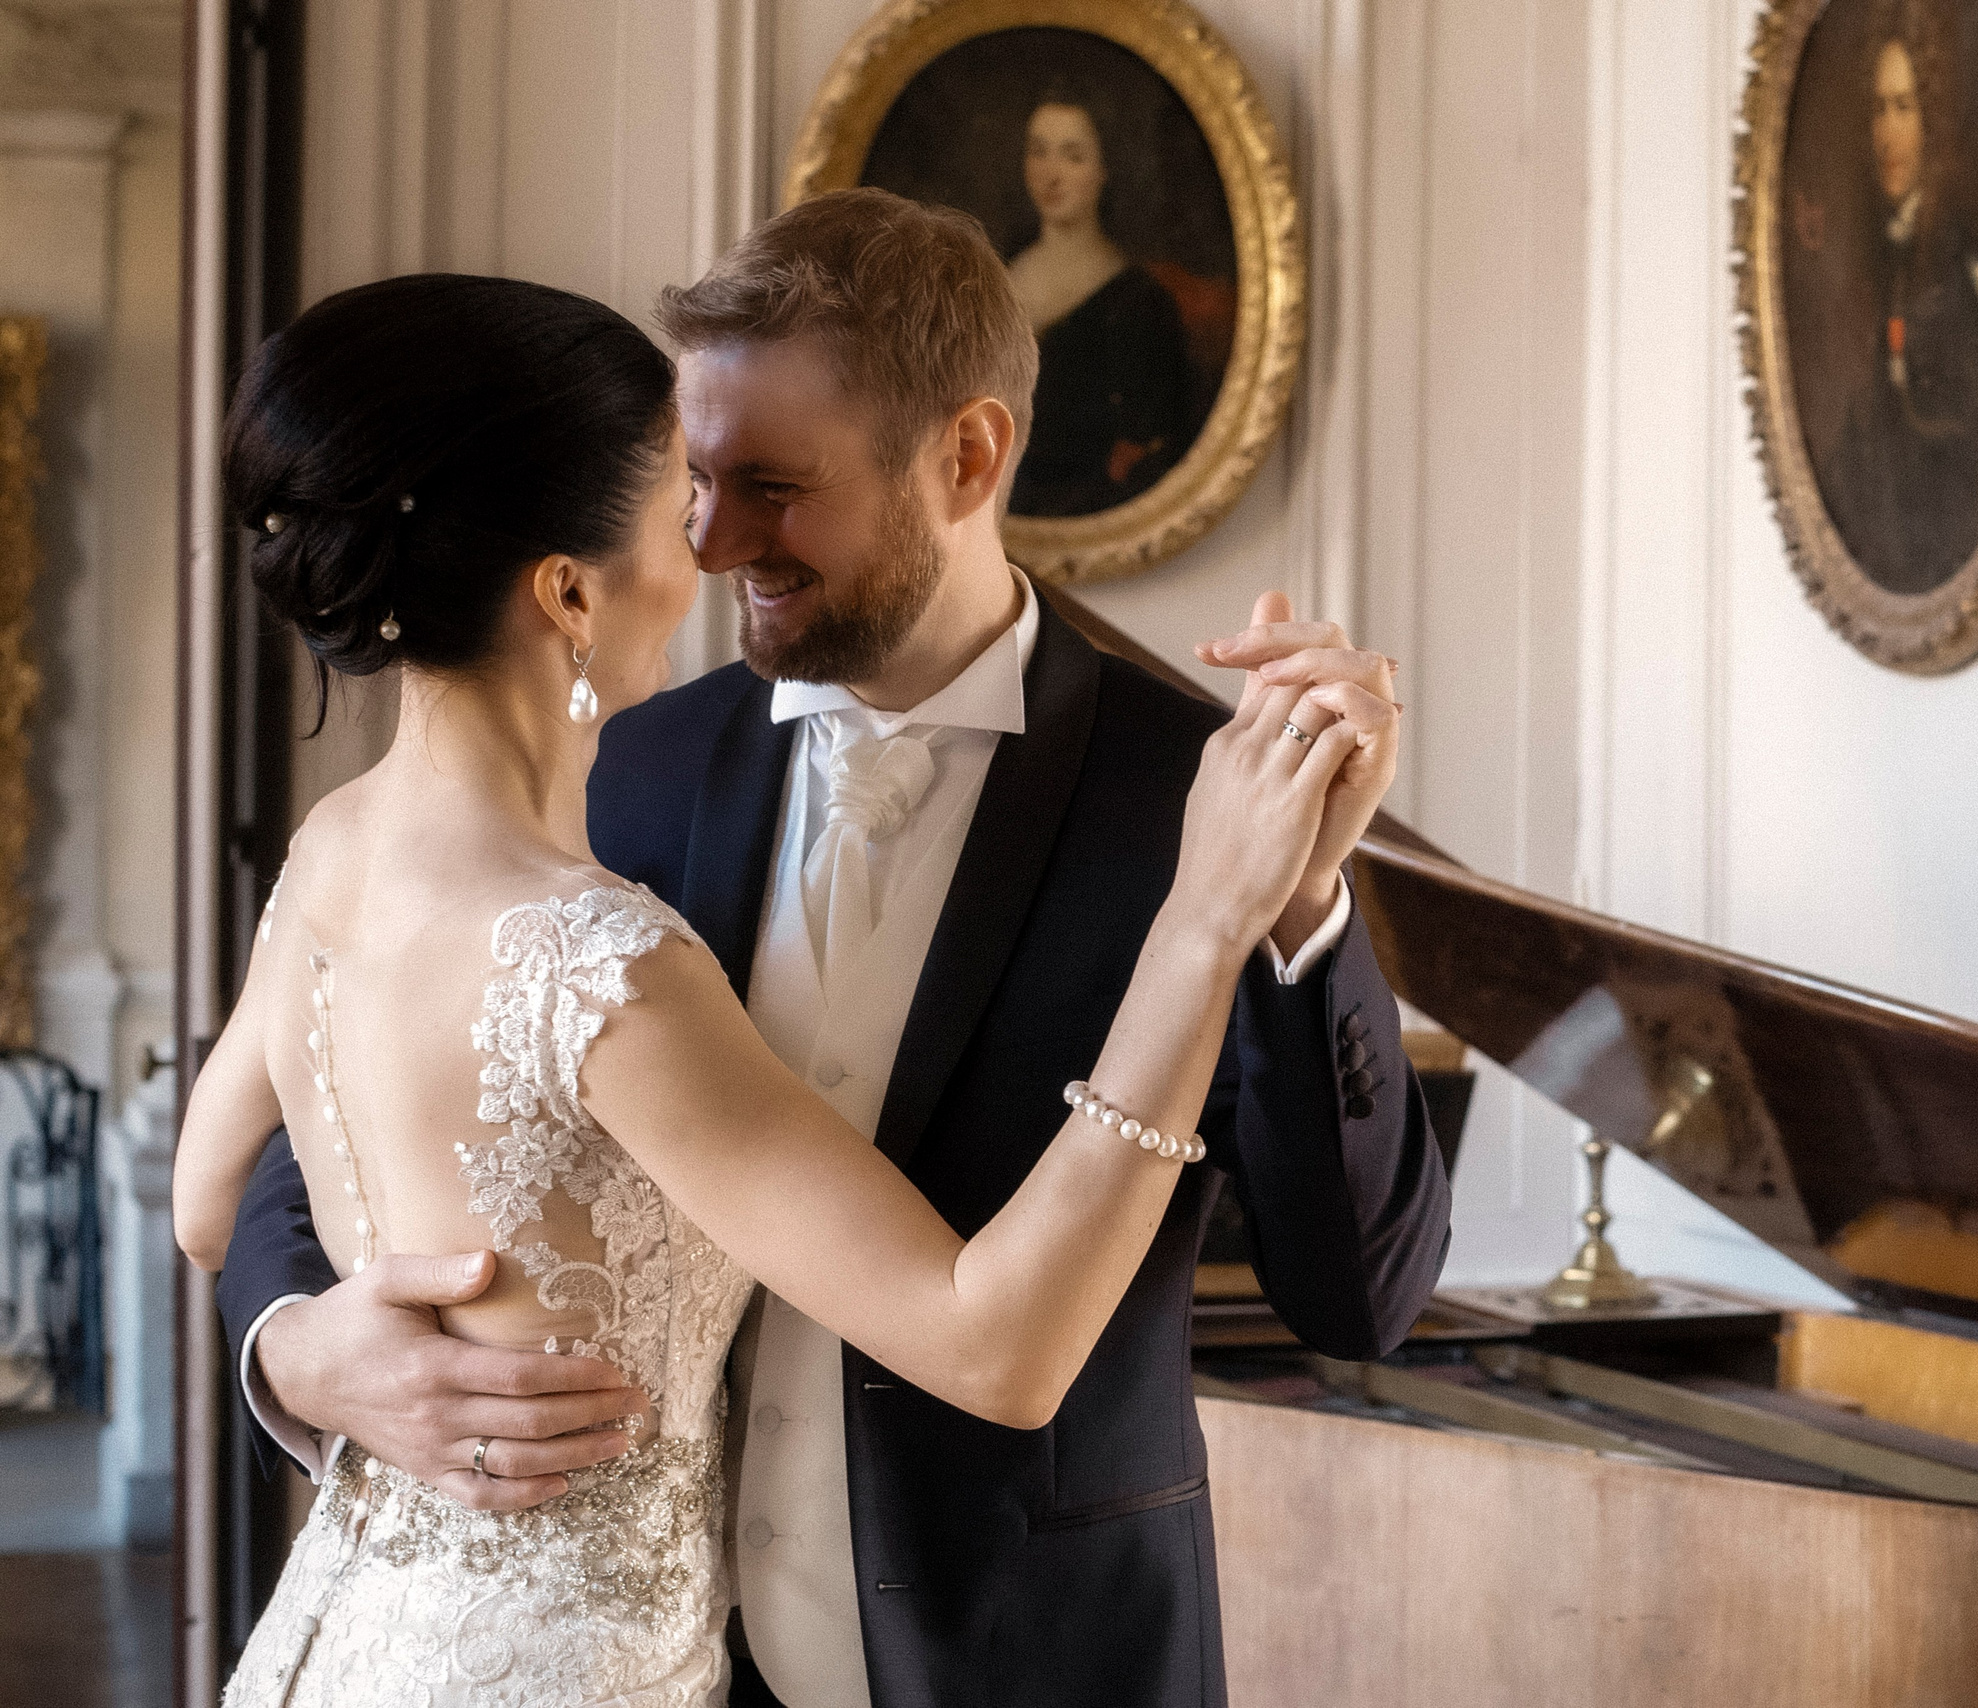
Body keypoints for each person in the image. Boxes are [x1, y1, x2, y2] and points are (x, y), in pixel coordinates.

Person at [211, 190, 1450, 1708]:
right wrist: (297, 1345)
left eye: (774, 486)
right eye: (695, 479)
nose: (711, 539)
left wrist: (1300, 908)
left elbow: (1359, 1300)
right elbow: (333, 1130)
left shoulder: (1196, 799)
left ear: (968, 457)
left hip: (1042, 1668)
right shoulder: (619, 763)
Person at [1813, 11, 1978, 597]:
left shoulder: (1965, 250)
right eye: (1878, 110)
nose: (1888, 134)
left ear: (1930, 121)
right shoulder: (1876, 249)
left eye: (1905, 108)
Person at [1004, 94, 1200, 516]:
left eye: (1073, 156)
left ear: (1104, 171)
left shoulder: (1140, 302)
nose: (1051, 174)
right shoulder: (999, 274)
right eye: (1039, 151)